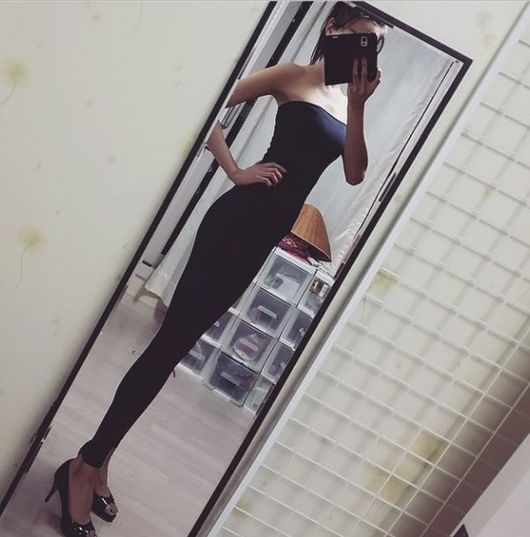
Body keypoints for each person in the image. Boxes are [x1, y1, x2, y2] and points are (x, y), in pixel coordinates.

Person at [43, 3, 386, 536]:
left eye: (374, 45)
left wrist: (360, 107)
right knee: (168, 347)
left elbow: (356, 173)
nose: (365, 51)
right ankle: (83, 468)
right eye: (359, 37)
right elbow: (209, 103)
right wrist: (234, 169)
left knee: (174, 347)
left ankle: (98, 461)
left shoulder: (348, 104)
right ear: (332, 28)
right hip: (235, 220)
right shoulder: (290, 74)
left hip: (264, 236)